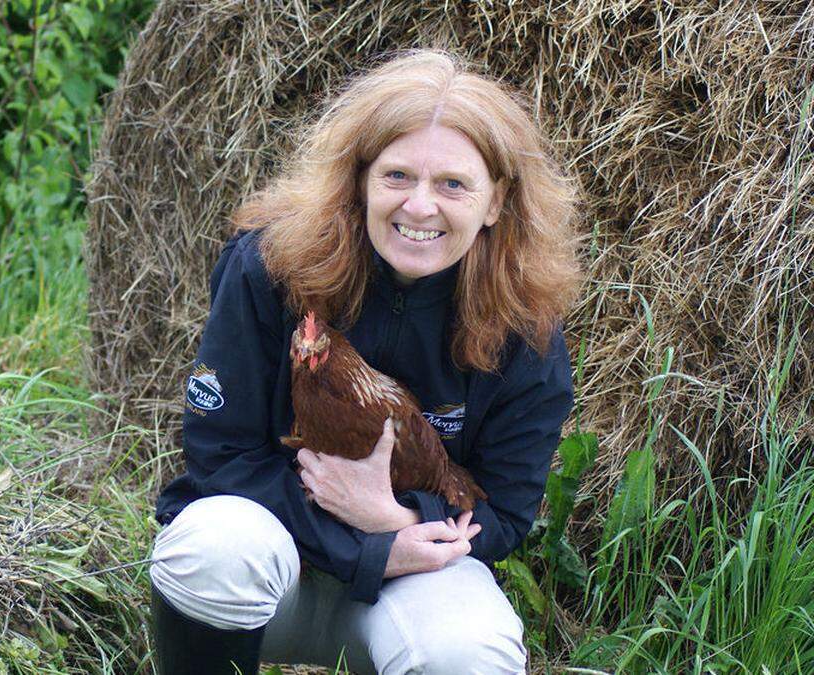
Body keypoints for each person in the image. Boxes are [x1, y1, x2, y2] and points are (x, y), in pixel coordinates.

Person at [149, 49, 579, 675]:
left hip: (410, 585)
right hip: (274, 569)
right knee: (212, 548)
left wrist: (395, 520)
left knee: (470, 652)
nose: (420, 207)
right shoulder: (270, 269)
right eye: (397, 176)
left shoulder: (525, 332)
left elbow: (507, 512)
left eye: (453, 184)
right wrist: (365, 547)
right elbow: (220, 456)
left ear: (494, 202)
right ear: (360, 179)